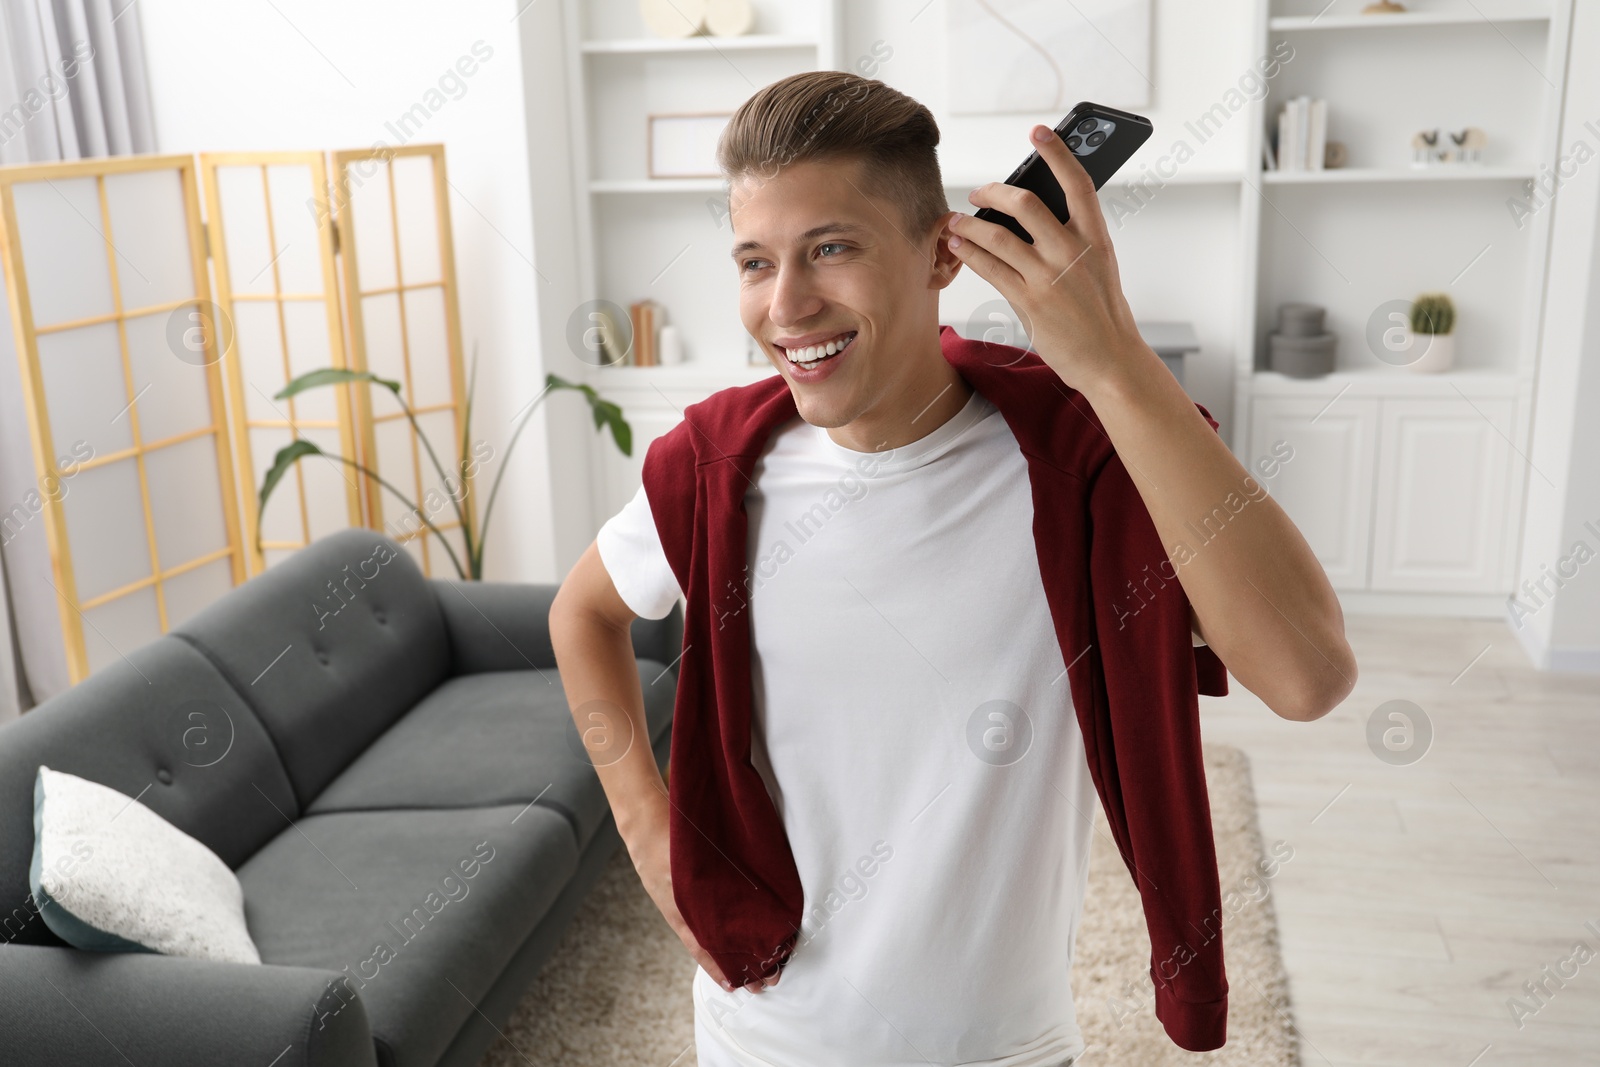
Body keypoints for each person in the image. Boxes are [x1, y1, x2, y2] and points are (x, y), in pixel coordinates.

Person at [549, 71, 1356, 1067]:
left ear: (942, 254)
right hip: (758, 1034)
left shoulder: (1085, 464)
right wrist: (644, 824)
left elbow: (1309, 675)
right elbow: (580, 614)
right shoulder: (718, 467)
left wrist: (1113, 364)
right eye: (755, 261)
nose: (786, 304)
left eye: (830, 248)